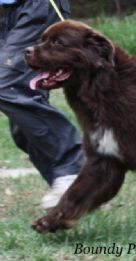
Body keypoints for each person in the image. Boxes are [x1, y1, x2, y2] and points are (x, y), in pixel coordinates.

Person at [0, 0, 84, 208]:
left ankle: (74, 168)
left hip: (39, 6)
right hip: (13, 10)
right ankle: (76, 192)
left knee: (5, 85)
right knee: (23, 124)